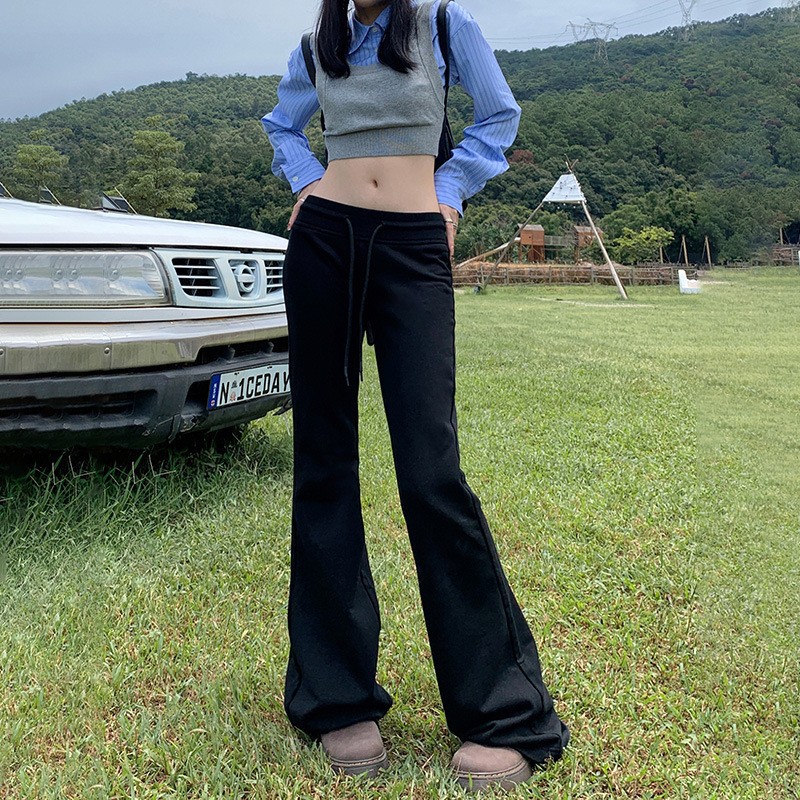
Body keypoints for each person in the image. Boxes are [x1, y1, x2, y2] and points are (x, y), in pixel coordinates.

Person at [261, 0, 569, 790]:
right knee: (324, 463)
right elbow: (281, 125)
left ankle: (505, 711)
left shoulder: (441, 24)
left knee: (432, 472)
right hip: (324, 242)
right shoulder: (317, 44)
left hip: (412, 243)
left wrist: (451, 191)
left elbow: (499, 115)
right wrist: (306, 184)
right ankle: (336, 697)